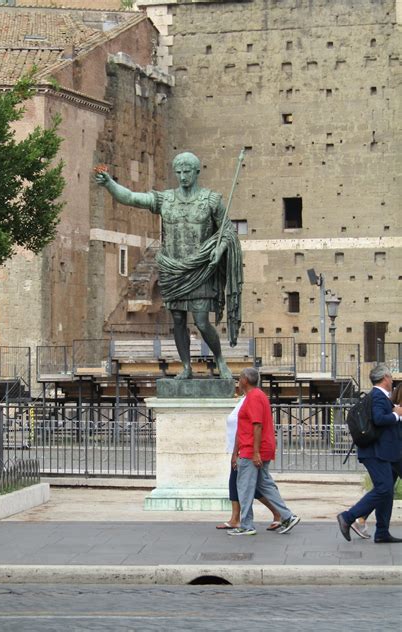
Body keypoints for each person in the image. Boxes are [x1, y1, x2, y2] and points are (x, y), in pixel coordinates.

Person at [95, 152, 242, 380]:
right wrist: (110, 184)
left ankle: (221, 361)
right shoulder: (166, 199)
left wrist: (219, 249)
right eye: (179, 172)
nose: (183, 176)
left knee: (202, 321)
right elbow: (132, 198)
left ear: (196, 172)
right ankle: (186, 367)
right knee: (178, 320)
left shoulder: (211, 200)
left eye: (187, 172)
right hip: (172, 269)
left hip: (200, 269)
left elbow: (228, 232)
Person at [227, 367, 300, 536]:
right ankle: (287, 516)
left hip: (252, 449)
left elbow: (257, 425)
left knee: (244, 487)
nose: (238, 381)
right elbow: (244, 426)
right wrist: (235, 452)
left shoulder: (254, 397)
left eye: (239, 378)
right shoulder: (254, 397)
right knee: (264, 484)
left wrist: (255, 452)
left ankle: (246, 525)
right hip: (254, 448)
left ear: (245, 380)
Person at [337, 365, 402, 543]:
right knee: (384, 488)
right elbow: (379, 419)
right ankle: (348, 517)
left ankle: (382, 532)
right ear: (385, 378)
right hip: (375, 452)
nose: (391, 380)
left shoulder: (377, 396)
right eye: (390, 377)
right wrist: (396, 415)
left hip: (379, 451)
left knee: (386, 491)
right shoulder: (379, 397)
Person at [216, 394, 282, 530]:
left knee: (254, 486)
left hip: (247, 450)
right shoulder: (245, 399)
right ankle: (236, 518)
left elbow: (254, 426)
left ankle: (280, 513)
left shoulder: (252, 399)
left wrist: (253, 452)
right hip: (242, 449)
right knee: (236, 483)